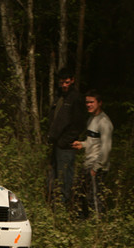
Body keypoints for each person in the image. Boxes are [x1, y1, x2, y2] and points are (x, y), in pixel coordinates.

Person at [47, 67, 87, 204]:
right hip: (55, 143)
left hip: (66, 146)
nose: (64, 85)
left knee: (65, 177)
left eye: (67, 82)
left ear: (72, 81)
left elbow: (79, 124)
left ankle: (64, 206)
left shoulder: (76, 98)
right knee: (53, 176)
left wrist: (64, 141)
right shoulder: (59, 96)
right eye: (62, 82)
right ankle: (53, 204)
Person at [72, 90, 113, 217]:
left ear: (99, 103)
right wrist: (82, 144)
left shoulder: (104, 122)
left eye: (92, 102)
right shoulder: (91, 119)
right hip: (88, 163)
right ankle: (83, 223)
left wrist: (96, 167)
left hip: (97, 166)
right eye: (87, 102)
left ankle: (97, 226)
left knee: (95, 198)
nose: (88, 105)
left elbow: (106, 148)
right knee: (81, 194)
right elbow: (93, 142)